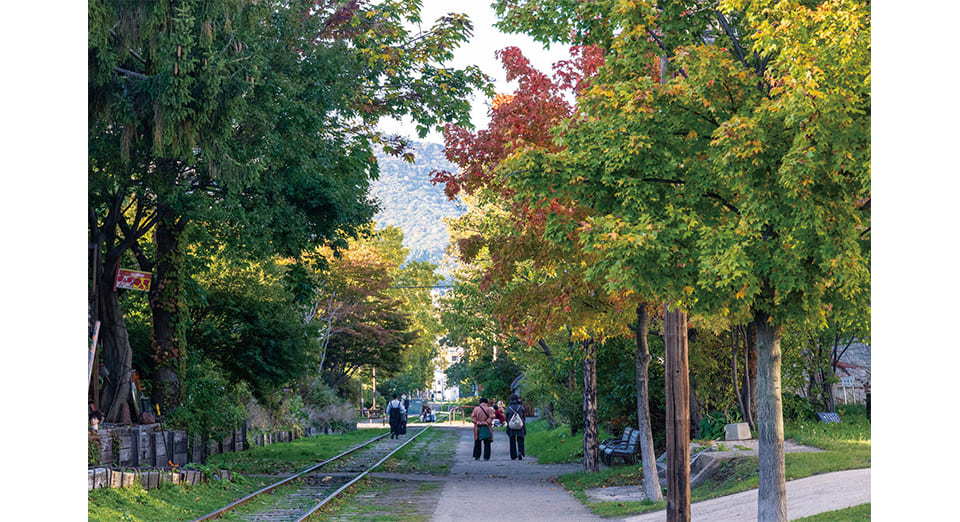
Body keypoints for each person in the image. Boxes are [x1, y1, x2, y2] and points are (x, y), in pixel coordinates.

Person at [505, 394, 527, 460]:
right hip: (520, 426)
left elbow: (507, 418)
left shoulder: (509, 408)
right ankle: (520, 452)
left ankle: (513, 455)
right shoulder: (521, 407)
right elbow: (524, 417)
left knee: (512, 441)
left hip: (511, 426)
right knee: (520, 439)